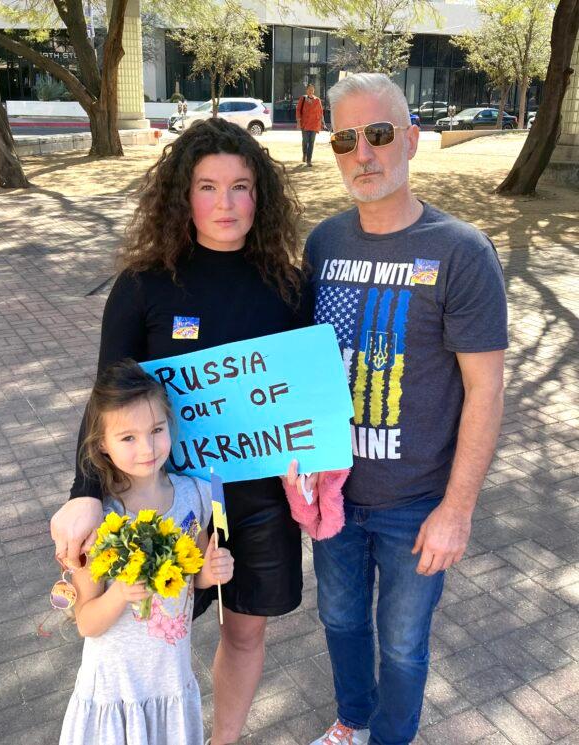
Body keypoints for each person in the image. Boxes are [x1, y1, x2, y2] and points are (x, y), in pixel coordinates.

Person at [50, 118, 312, 745]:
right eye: (208, 186)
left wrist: (318, 461)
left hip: (260, 496)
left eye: (242, 186)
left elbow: (304, 395)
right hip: (166, 501)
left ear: (261, 196)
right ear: (182, 196)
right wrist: (85, 491)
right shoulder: (143, 287)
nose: (226, 203)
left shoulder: (287, 285)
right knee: (150, 631)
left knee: (246, 629)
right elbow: (105, 399)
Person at [300, 72, 508, 745]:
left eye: (380, 134)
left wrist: (458, 508)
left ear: (411, 139)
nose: (364, 153)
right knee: (339, 621)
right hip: (332, 492)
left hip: (417, 503)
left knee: (405, 645)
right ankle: (352, 721)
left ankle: (391, 737)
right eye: (346, 138)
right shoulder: (324, 244)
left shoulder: (461, 252)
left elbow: (486, 390)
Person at [58, 361, 234, 745]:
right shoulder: (98, 518)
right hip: (114, 689)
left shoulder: (194, 496)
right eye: (128, 438)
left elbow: (196, 576)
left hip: (170, 679)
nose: (148, 448)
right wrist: (120, 593)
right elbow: (86, 622)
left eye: (156, 430)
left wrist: (214, 571)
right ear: (102, 443)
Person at [296, 83, 325, 167]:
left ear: (314, 90)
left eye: (312, 90)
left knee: (311, 142)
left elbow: (320, 112)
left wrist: (322, 122)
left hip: (314, 125)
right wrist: (298, 122)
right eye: (309, 90)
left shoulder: (317, 100)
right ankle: (304, 154)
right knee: (305, 141)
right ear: (306, 90)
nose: (310, 91)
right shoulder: (303, 98)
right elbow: (298, 110)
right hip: (304, 124)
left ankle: (309, 160)